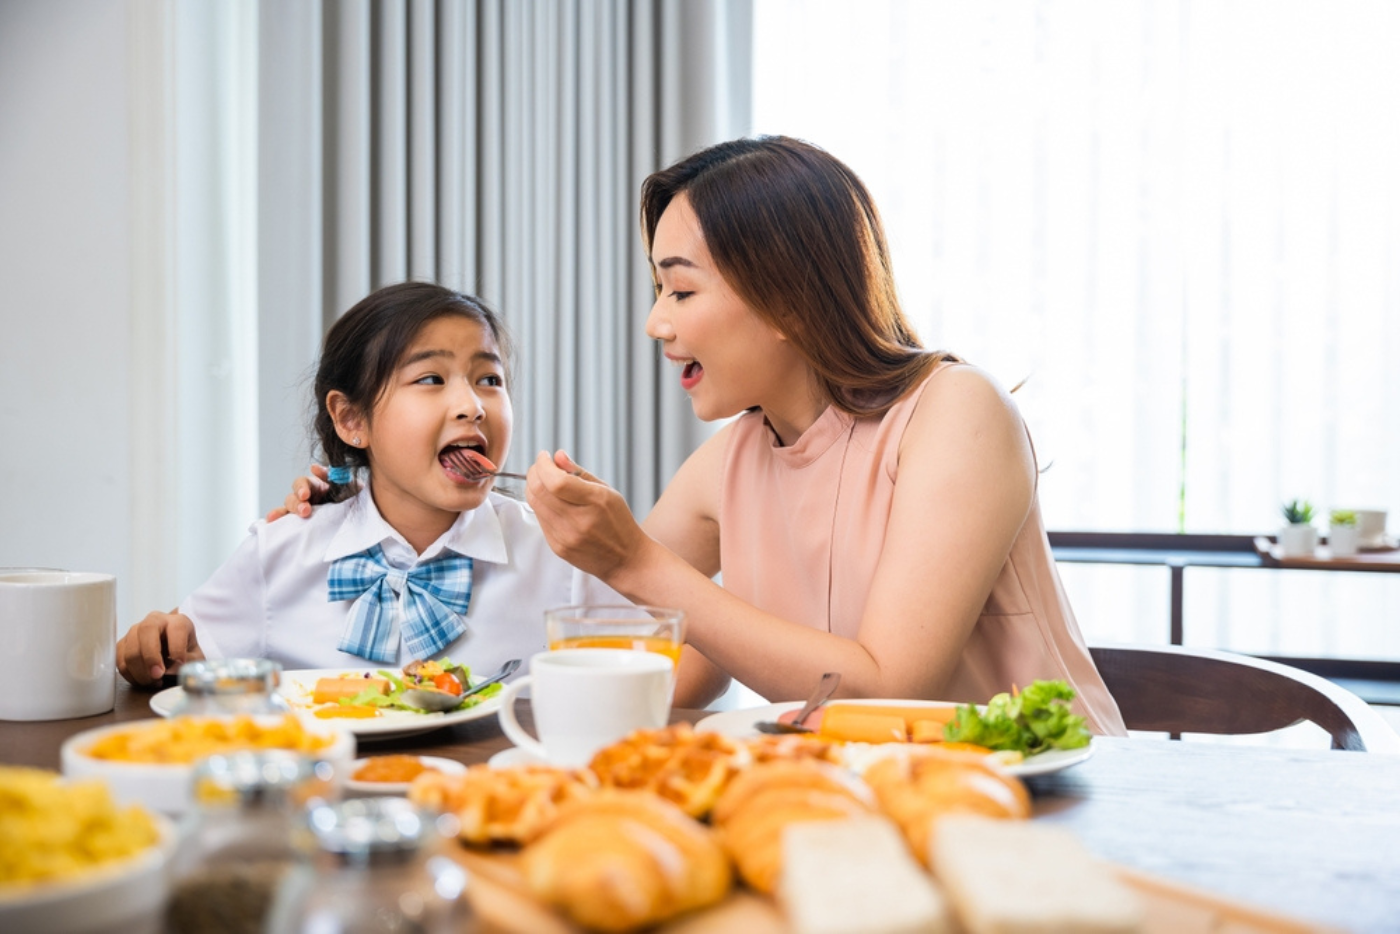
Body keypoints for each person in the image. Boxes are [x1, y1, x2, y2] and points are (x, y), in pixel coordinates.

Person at [523, 136, 1125, 731]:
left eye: (680, 290)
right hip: (859, 802)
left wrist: (632, 560)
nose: (656, 323)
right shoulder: (727, 466)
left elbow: (892, 691)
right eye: (659, 292)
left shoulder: (958, 412)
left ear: (787, 299)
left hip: (1048, 796)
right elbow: (664, 663)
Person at [117, 281, 611, 687]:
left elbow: (665, 678)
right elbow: (174, 653)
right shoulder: (282, 553)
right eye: (432, 379)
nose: (473, 404)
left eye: (489, 379)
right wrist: (156, 646)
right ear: (352, 419)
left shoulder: (565, 555)